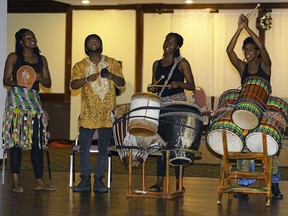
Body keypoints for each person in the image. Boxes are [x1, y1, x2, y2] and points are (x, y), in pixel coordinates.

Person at [226, 14, 283, 199]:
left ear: (257, 52)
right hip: (244, 111)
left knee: (269, 145)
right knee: (243, 145)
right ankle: (244, 184)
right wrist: (239, 29)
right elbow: (229, 51)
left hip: (263, 110)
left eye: (251, 49)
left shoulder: (265, 66)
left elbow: (263, 47)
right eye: (245, 49)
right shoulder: (243, 68)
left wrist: (248, 28)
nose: (248, 51)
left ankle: (274, 184)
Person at [70, 34, 125, 193]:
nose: (93, 43)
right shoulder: (79, 66)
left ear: (101, 45)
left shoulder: (112, 63)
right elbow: (73, 85)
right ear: (86, 48)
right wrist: (87, 78)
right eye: (89, 42)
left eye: (96, 41)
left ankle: (100, 180)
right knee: (84, 148)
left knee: (104, 148)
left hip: (107, 114)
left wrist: (111, 75)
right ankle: (85, 180)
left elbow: (121, 83)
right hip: (88, 113)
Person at [2, 28, 54, 192]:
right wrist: (19, 81)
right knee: (16, 142)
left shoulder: (41, 59)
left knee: (37, 142)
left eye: (33, 36)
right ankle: (15, 181)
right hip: (17, 102)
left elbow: (48, 83)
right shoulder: (14, 57)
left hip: (34, 102)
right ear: (21, 42)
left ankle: (39, 181)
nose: (32, 39)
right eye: (28, 37)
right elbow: (5, 80)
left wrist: (38, 76)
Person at [147, 32, 196, 192]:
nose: (168, 43)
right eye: (167, 40)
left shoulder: (182, 63)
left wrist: (178, 83)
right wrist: (152, 88)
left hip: (177, 106)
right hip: (161, 106)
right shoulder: (156, 64)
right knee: (162, 144)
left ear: (177, 46)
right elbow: (156, 87)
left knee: (178, 145)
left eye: (172, 42)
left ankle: (179, 183)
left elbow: (191, 85)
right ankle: (159, 181)